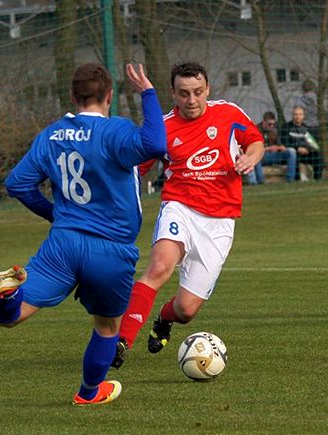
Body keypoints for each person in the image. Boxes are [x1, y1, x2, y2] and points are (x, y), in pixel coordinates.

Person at [0, 63, 167, 405]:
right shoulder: (114, 132)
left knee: (12, 317)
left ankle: (5, 296)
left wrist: (53, 213)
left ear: (73, 96)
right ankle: (88, 393)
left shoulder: (52, 135)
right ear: (108, 97)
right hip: (110, 248)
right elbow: (155, 142)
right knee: (107, 326)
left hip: (62, 244)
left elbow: (17, 184)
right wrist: (148, 93)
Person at [112, 62, 264, 367]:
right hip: (179, 207)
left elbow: (256, 141)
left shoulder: (229, 113)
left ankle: (163, 320)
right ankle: (119, 342)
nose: (192, 100)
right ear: (173, 94)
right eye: (184, 94)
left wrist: (250, 157)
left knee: (186, 310)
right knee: (159, 267)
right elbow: (132, 173)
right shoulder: (163, 129)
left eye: (197, 92)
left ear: (207, 89)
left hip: (220, 221)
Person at [246, 112, 297, 184]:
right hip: (262, 156)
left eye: (273, 124)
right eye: (270, 124)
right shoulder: (255, 130)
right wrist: (269, 148)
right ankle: (261, 181)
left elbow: (280, 144)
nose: (272, 126)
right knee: (256, 157)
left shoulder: (274, 130)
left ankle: (290, 179)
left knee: (291, 152)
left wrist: (280, 147)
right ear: (264, 122)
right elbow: (253, 149)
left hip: (274, 155)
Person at [280, 106, 324, 180]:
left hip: (305, 153)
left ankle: (318, 180)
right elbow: (285, 143)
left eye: (300, 114)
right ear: (292, 115)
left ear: (303, 116)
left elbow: (312, 143)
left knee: (318, 155)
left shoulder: (306, 128)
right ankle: (296, 180)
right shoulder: (286, 127)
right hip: (294, 154)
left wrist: (307, 149)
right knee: (293, 156)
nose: (298, 117)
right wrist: (297, 148)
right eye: (296, 114)